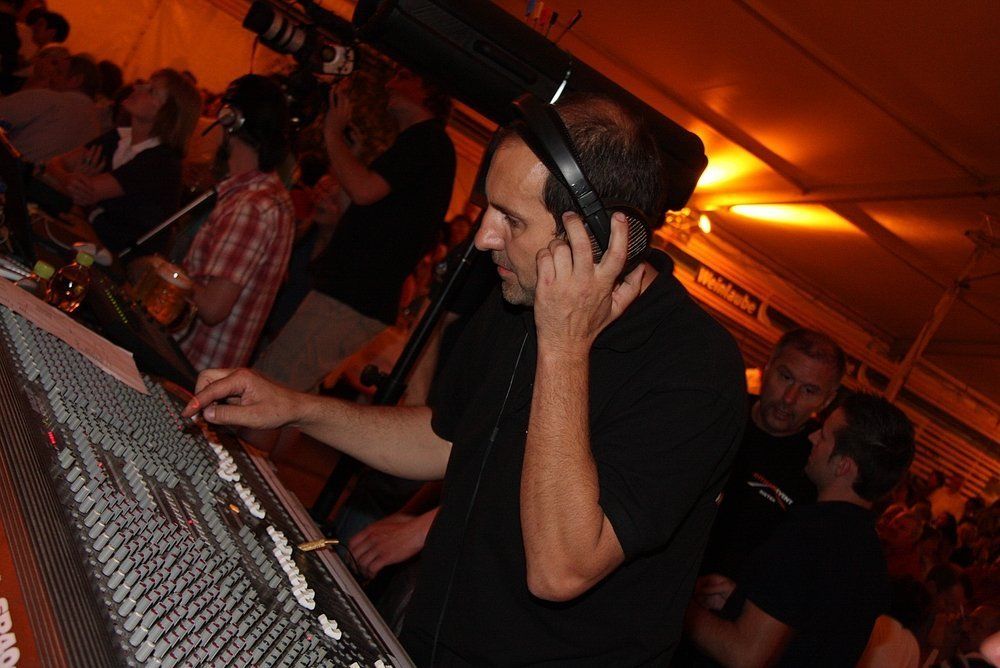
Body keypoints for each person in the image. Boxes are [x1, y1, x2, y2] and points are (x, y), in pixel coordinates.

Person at [183, 93, 747, 664]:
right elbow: (446, 438)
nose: (483, 237)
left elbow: (562, 569)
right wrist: (297, 408)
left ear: (597, 238)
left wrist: (563, 344)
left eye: (512, 219)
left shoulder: (696, 369)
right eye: (489, 210)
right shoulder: (519, 294)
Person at [253, 66, 456, 393]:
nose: (390, 84)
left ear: (428, 91)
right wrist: (354, 155)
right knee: (294, 390)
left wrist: (332, 132)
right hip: (355, 295)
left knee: (272, 382)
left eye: (404, 76)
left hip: (354, 294)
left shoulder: (427, 140)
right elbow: (361, 203)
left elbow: (363, 190)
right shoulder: (422, 144)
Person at [685, 392, 916, 667]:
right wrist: (742, 600)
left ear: (843, 465)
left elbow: (745, 655)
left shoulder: (811, 534)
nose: (812, 437)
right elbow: (809, 635)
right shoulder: (869, 554)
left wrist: (679, 605)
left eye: (824, 436)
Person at [698, 327, 845, 578]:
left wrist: (744, 591)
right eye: (785, 377)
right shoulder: (718, 412)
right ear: (767, 367)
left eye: (809, 390)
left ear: (828, 400)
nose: (789, 398)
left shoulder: (816, 468)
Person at [176, 74, 295, 371]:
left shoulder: (252, 206)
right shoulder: (263, 194)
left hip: (190, 366)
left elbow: (213, 308)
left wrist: (167, 275)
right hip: (198, 365)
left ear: (231, 119)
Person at [43, 68, 201, 253]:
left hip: (120, 256)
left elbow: (86, 192)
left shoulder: (162, 161)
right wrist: (69, 179)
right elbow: (54, 165)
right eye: (144, 84)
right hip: (92, 241)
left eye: (151, 91)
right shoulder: (119, 138)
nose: (137, 87)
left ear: (166, 114)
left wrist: (70, 180)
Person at [0, 53, 100, 162]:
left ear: (75, 80)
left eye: (58, 72)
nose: (51, 77)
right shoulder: (96, 129)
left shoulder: (51, 99)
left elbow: (3, 112)